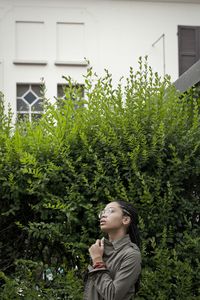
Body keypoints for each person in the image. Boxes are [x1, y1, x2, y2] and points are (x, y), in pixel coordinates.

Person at [84, 200, 142, 300]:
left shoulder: (131, 254)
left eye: (111, 211)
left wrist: (97, 261)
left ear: (125, 220)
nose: (103, 215)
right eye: (103, 212)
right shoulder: (100, 249)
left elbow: (112, 295)